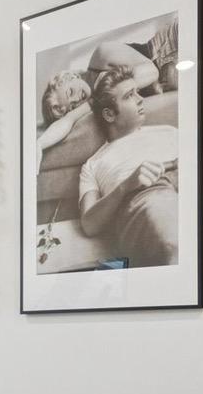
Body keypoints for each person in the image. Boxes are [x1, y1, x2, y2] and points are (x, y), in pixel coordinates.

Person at [77, 64, 179, 267]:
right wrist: (125, 186)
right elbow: (89, 224)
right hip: (149, 193)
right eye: (129, 95)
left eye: (138, 92)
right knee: (177, 248)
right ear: (109, 115)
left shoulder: (167, 131)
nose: (141, 99)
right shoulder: (93, 165)